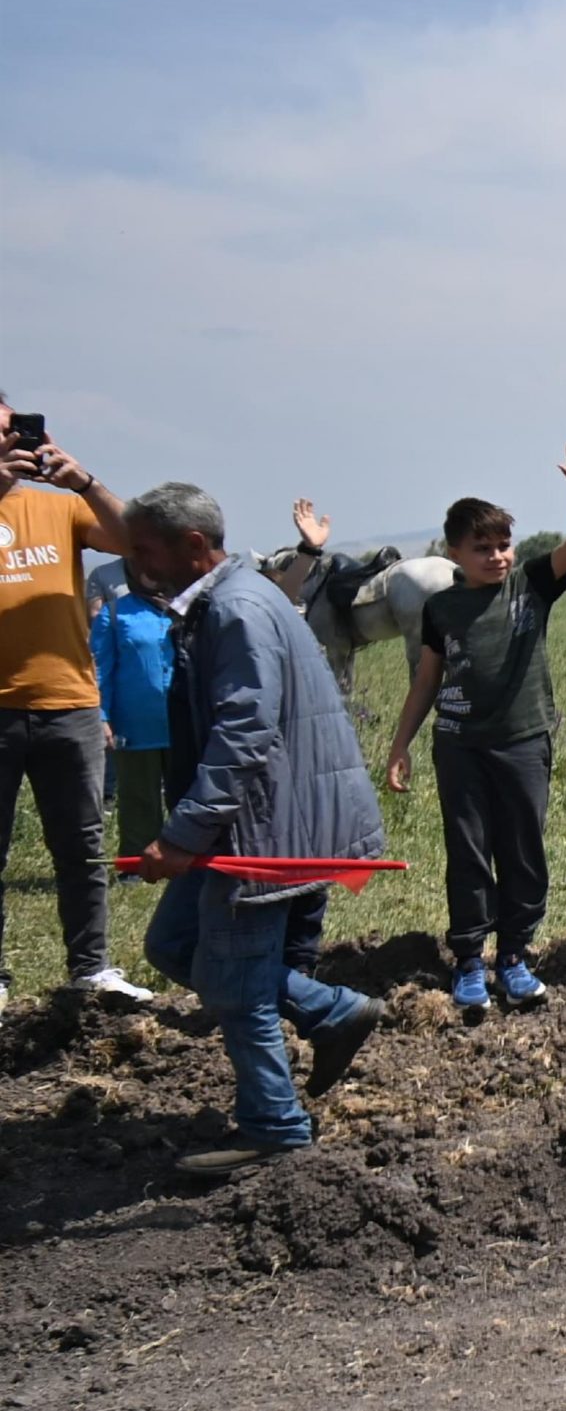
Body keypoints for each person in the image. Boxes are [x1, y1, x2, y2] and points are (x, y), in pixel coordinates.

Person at [124, 483, 386, 1178]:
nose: (133, 560)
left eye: (144, 548)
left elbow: (243, 731)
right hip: (275, 819)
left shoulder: (235, 608)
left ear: (191, 546)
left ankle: (274, 1125)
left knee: (237, 984)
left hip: (263, 829)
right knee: (175, 942)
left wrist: (183, 832)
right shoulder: (240, 594)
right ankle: (330, 1011)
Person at [383, 439, 566, 1016]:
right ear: (453, 551)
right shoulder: (442, 609)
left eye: (503, 544)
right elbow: (427, 682)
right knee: (470, 852)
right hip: (459, 747)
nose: (497, 556)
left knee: (524, 850)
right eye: (482, 548)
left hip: (524, 741)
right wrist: (401, 742)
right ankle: (468, 962)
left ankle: (515, 957)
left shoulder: (529, 585)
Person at [0, 395, 154, 1010]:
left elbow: (130, 541)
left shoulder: (58, 508)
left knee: (81, 846)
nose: (9, 440)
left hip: (69, 703)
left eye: (12, 429)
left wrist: (85, 482)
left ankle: (91, 969)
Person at [90, 572, 176, 861]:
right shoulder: (114, 613)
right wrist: (101, 716)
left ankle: (190, 861)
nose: (149, 572)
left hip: (185, 721)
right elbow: (100, 670)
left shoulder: (190, 606)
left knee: (190, 792)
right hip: (135, 722)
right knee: (138, 796)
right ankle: (138, 861)